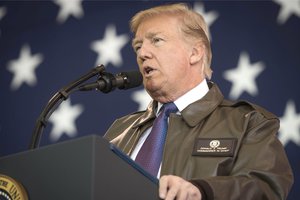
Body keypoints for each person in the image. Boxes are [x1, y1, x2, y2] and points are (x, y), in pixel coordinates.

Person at [104, 3, 293, 200]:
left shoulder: (248, 122)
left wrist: (203, 191)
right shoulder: (120, 130)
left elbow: (266, 187)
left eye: (157, 40)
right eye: (138, 46)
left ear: (195, 53)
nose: (142, 54)